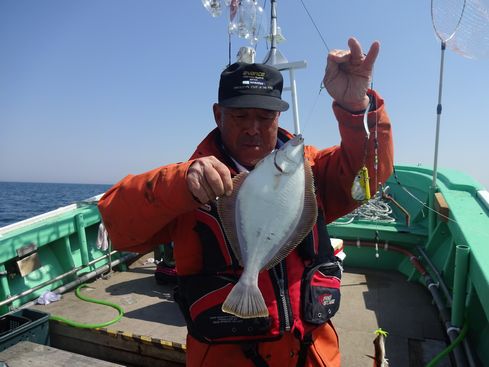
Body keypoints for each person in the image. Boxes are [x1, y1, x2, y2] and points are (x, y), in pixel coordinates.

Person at [98, 37, 394, 367]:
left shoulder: (308, 172)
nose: (253, 128)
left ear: (278, 119)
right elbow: (119, 228)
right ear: (218, 114)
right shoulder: (189, 185)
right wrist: (179, 184)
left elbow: (369, 176)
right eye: (240, 116)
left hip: (311, 355)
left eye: (265, 117)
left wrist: (357, 110)